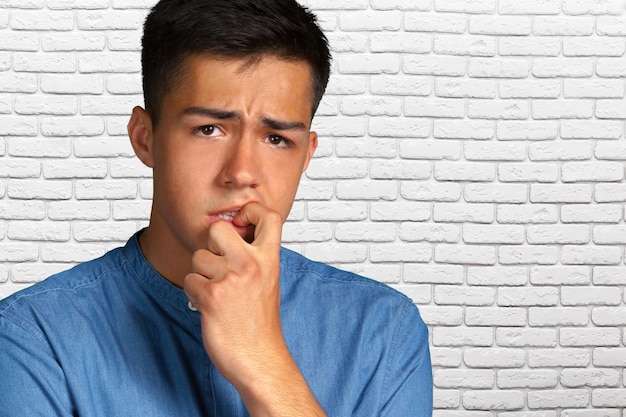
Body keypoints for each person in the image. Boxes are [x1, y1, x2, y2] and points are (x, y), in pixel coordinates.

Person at [0, 0, 432, 415]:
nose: (242, 173)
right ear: (145, 138)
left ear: (306, 154)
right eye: (209, 129)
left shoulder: (383, 331)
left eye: (277, 138)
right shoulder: (34, 336)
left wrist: (263, 361)